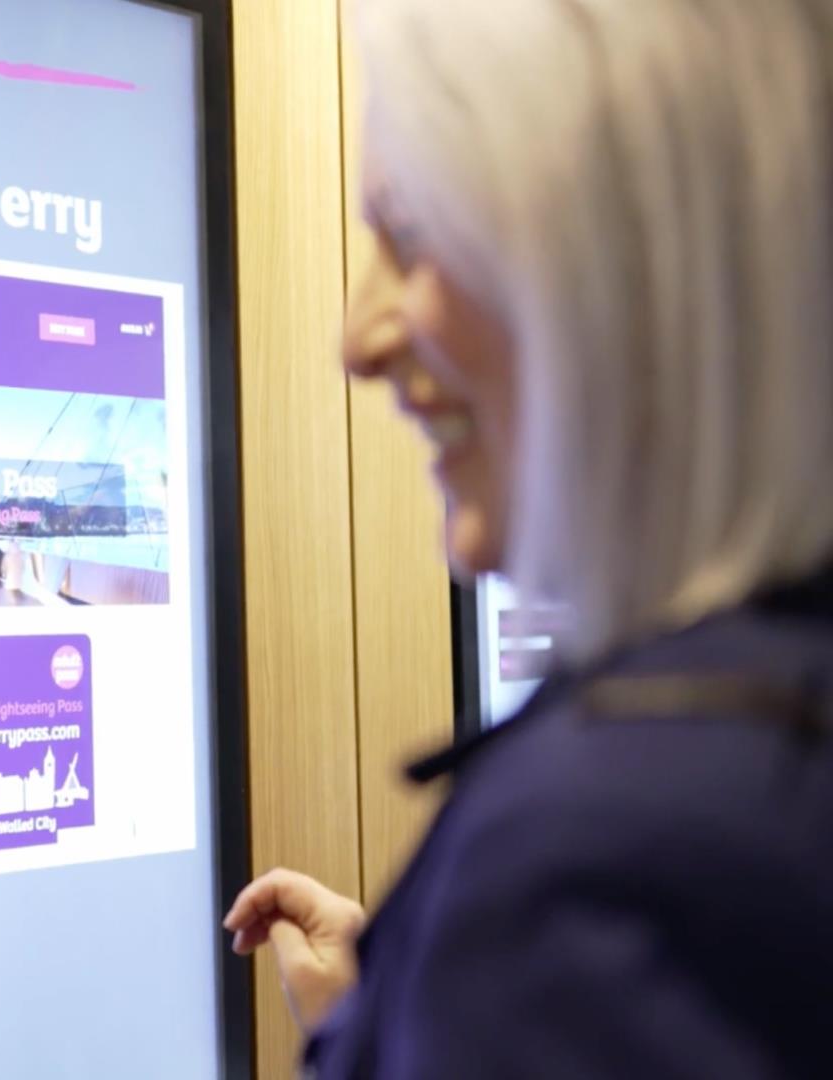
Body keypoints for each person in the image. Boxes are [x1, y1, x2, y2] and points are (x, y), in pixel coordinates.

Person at [226, 2, 833, 1076]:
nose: (357, 339)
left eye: (410, 235)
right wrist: (394, 1016)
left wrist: (489, 979)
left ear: (629, 265)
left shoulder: (592, 874)